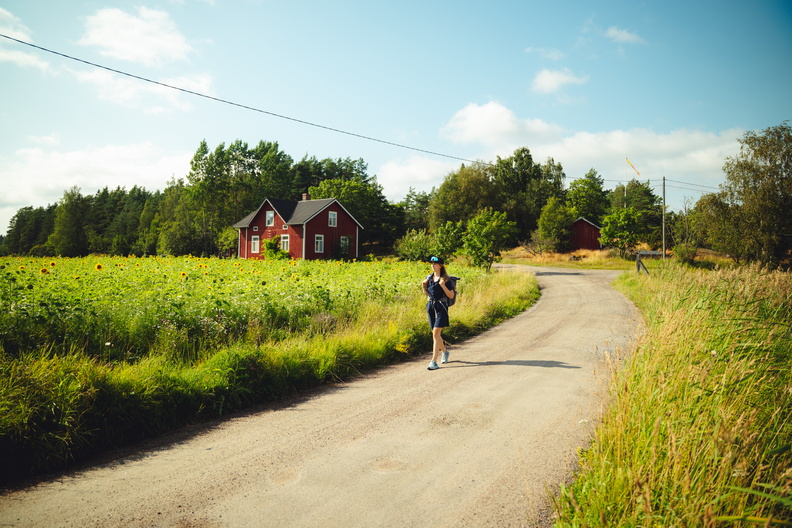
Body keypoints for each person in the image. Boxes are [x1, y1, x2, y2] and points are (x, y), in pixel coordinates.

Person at [421, 256, 455, 370]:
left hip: (441, 307)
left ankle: (433, 361)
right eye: (431, 264)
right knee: (435, 334)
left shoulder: (446, 279)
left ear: (440, 265)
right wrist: (423, 286)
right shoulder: (429, 278)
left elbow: (451, 295)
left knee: (435, 333)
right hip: (431, 306)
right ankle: (445, 352)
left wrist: (443, 285)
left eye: (435, 264)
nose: (432, 265)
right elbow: (428, 294)